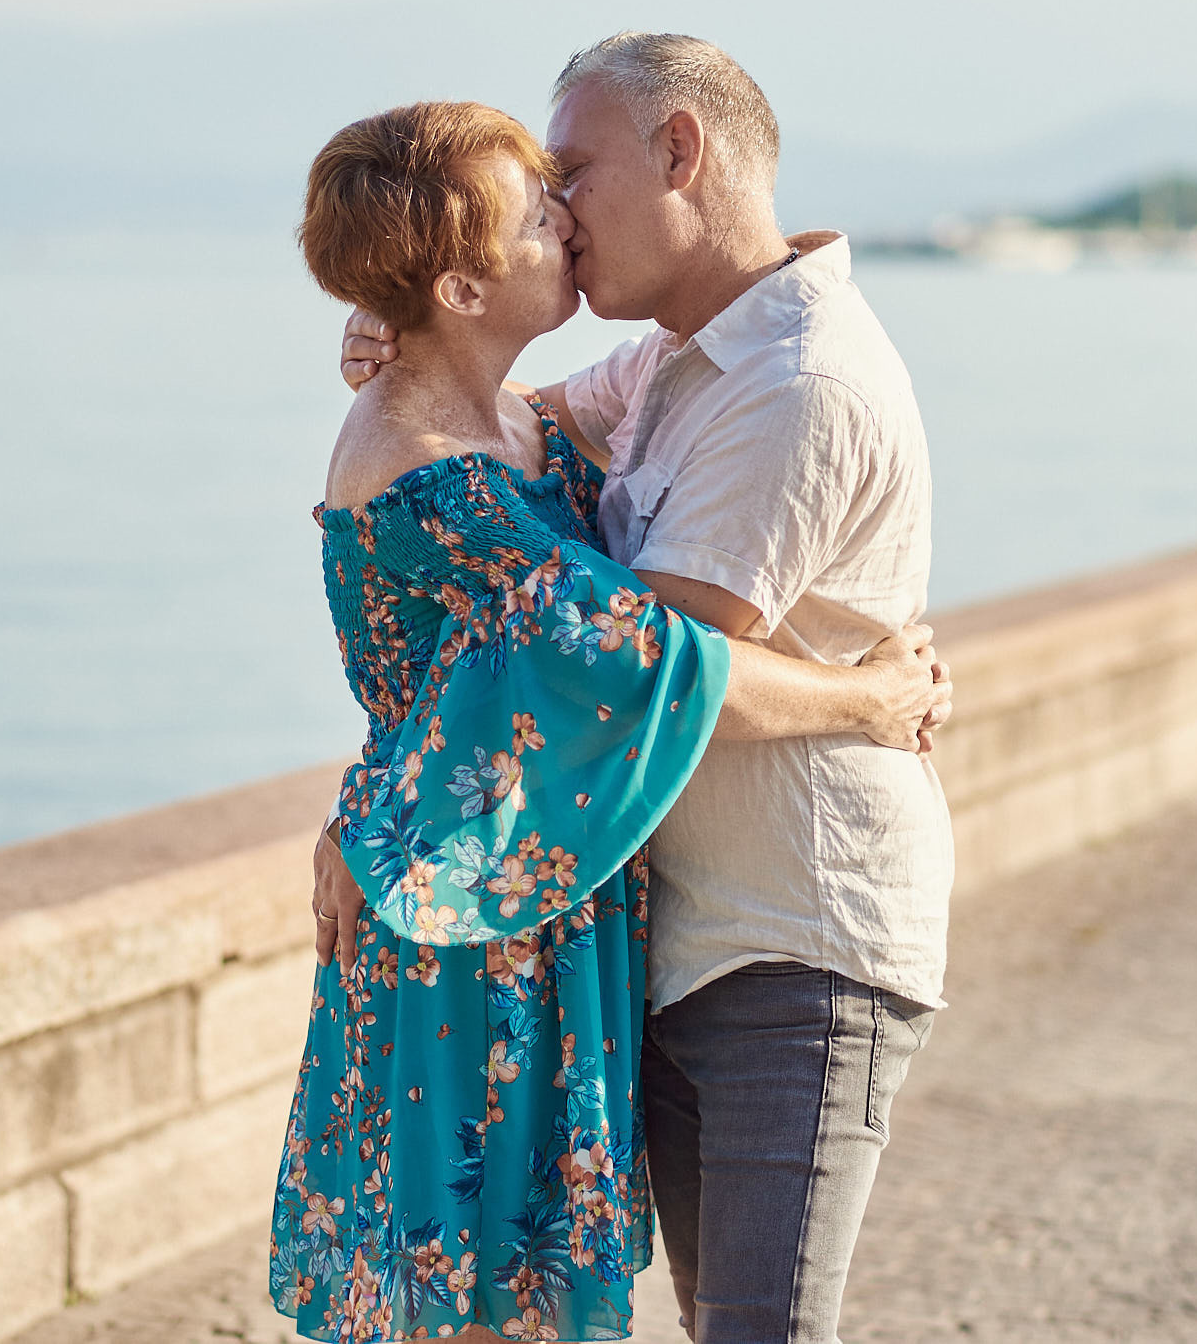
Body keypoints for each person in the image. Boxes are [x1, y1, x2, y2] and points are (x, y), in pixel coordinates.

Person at [275, 99, 949, 1343]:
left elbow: (504, 671)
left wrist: (402, 324)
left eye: (563, 182)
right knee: (481, 1296)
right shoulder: (433, 472)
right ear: (469, 285)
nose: (565, 220)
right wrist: (872, 693)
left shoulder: (525, 417)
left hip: (543, 902)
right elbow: (644, 667)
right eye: (540, 207)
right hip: (470, 930)